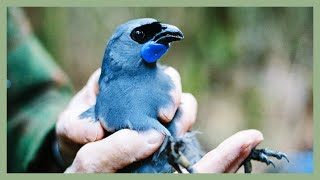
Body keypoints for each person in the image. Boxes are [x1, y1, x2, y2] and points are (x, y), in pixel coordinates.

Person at [7, 7, 264, 173]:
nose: (165, 32)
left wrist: (56, 147)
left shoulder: (165, 84)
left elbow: (30, 98)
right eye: (141, 35)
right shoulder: (101, 109)